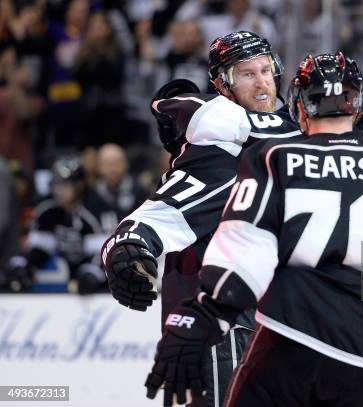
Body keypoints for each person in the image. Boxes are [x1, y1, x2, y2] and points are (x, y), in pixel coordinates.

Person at [144, 35, 363, 407]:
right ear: (356, 103)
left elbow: (244, 256)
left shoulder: (276, 157)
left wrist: (202, 319)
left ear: (299, 108)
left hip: (292, 341)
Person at [101, 31, 299, 407]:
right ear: (222, 84)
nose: (261, 83)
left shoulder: (305, 144)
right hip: (228, 334)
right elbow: (159, 215)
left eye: (266, 70)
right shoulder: (226, 146)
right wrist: (127, 247)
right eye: (246, 74)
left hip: (291, 334)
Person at [8, 157, 106, 294]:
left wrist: (92, 273)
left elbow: (104, 250)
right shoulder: (46, 209)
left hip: (95, 276)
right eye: (56, 186)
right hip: (61, 275)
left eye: (65, 186)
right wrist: (25, 266)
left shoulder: (95, 208)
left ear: (79, 185)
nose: (59, 192)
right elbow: (40, 246)